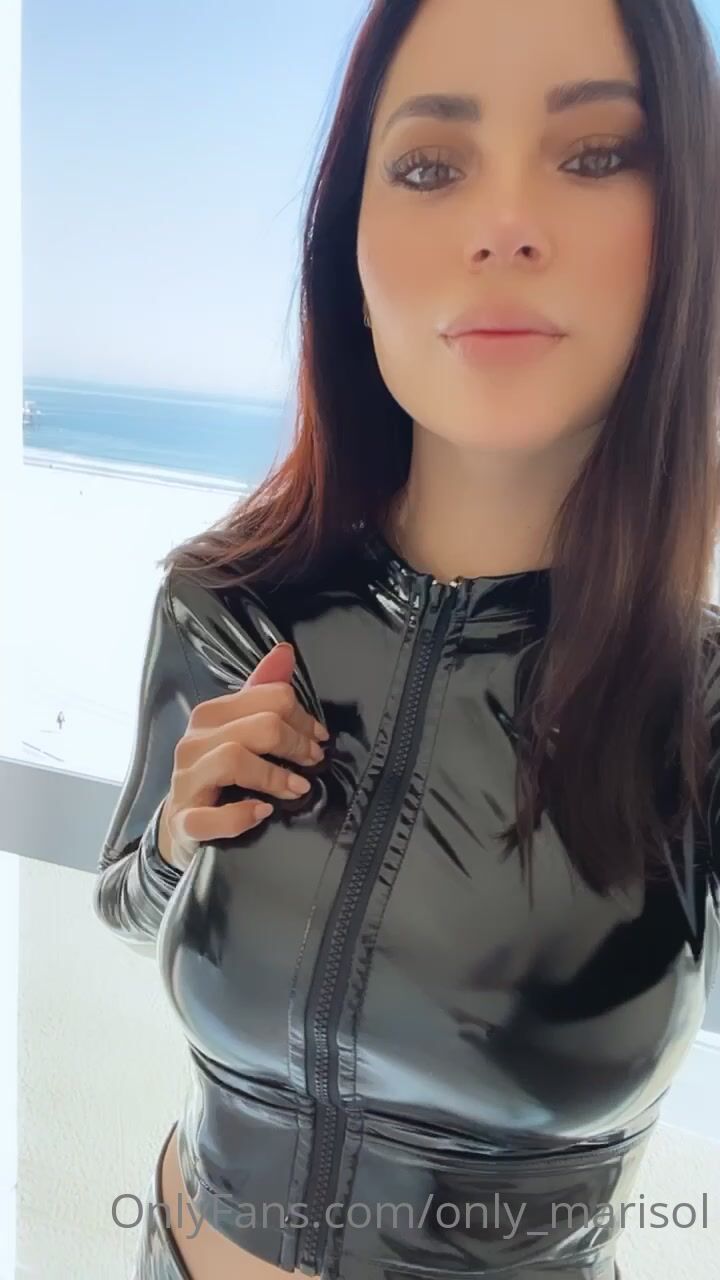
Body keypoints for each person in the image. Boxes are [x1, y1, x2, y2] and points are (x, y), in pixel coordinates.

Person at [92, 1, 720, 1278]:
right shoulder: (228, 605)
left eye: (597, 154)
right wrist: (173, 836)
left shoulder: (693, 702)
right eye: (431, 166)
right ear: (352, 249)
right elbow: (124, 898)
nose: (506, 224)